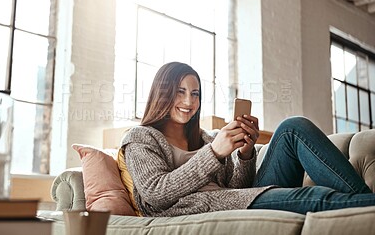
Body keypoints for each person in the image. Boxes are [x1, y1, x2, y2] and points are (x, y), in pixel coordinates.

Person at [120, 61, 375, 217]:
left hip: (236, 198)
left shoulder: (207, 138)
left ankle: (365, 204)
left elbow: (238, 188)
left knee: (292, 128)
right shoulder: (140, 138)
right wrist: (214, 154)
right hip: (205, 207)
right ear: (162, 93)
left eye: (195, 93)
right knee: (316, 197)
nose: (189, 101)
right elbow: (155, 193)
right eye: (180, 92)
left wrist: (244, 153)